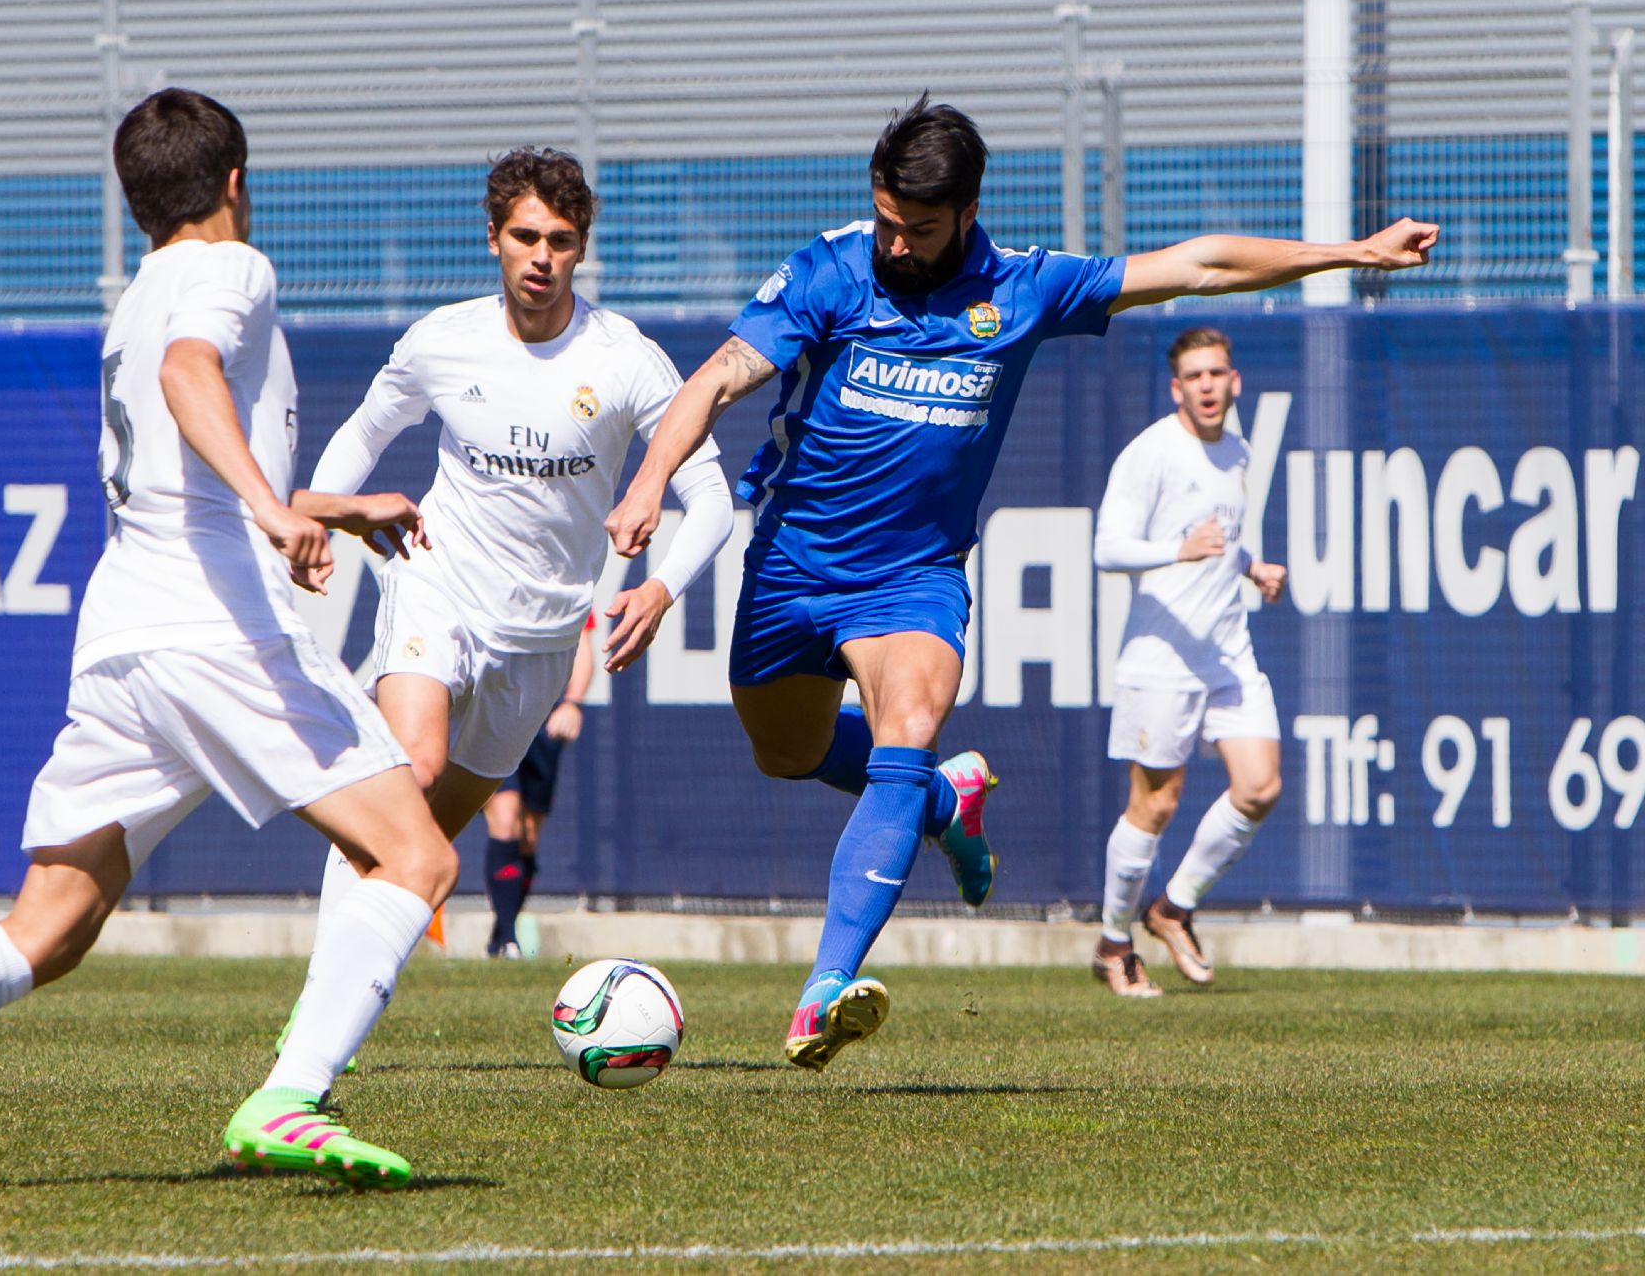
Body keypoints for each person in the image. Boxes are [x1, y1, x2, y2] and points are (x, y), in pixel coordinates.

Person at [606, 93, 1437, 1071]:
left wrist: (1352, 252)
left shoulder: (1025, 287)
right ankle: (944, 803)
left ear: (967, 213)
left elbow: (1198, 265)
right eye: (884, 219)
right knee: (785, 754)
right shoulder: (828, 271)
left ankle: (823, 989)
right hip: (792, 566)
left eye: (918, 229)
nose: (895, 243)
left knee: (906, 729)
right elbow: (714, 377)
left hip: (912, 578)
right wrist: (649, 482)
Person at [0, 88, 455, 1192]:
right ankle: (292, 1095)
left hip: (123, 641)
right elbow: (190, 377)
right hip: (216, 631)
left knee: (50, 926)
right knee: (414, 853)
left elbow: (176, 467)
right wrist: (274, 510)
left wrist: (326, 505)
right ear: (235, 184)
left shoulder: (134, 301)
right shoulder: (233, 268)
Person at [302, 147, 734, 960]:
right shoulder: (442, 340)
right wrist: (323, 515)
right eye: (526, 236)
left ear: (582, 247)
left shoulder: (624, 358)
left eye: (561, 240)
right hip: (436, 587)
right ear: (493, 236)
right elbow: (365, 431)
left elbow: (711, 497)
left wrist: (664, 587)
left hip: (541, 639)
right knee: (411, 774)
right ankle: (323, 1001)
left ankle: (349, 983)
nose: (542, 257)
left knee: (420, 844)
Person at [1090, 328, 1286, 997]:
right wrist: (1178, 550)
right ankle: (1114, 944)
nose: (1207, 385)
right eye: (1194, 376)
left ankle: (1172, 908)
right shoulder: (1150, 452)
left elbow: (1220, 539)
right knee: (1155, 805)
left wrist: (1250, 565)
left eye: (1216, 373)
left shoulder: (1238, 449)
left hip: (1228, 652)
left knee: (1259, 786)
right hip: (1161, 659)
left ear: (1236, 382)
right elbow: (1108, 548)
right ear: (1177, 389)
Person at [482, 616, 596, 958]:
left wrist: (573, 703)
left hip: (543, 720)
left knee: (528, 835)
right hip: (495, 713)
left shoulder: (565, 587)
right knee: (506, 819)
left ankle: (501, 934)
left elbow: (583, 644)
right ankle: (508, 939)